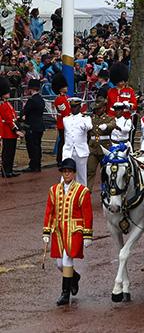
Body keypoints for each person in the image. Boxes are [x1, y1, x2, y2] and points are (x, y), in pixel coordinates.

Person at [42, 158, 93, 306]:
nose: (67, 174)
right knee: (59, 264)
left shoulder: (82, 191)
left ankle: (65, 294)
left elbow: (87, 214)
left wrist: (88, 234)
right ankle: (74, 277)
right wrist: (46, 232)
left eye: (69, 171)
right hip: (58, 232)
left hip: (74, 231)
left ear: (74, 173)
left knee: (67, 259)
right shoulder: (54, 190)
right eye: (64, 171)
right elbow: (49, 212)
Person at [62, 99, 94, 185]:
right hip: (68, 150)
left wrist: (84, 125)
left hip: (81, 150)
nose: (73, 109)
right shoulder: (66, 119)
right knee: (65, 174)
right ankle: (64, 193)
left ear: (80, 107)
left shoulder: (85, 118)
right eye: (72, 107)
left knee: (81, 176)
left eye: (75, 107)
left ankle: (83, 195)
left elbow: (89, 127)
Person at [20, 78, 45, 172]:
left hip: (31, 127)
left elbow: (24, 111)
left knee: (31, 146)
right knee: (37, 146)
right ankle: (37, 165)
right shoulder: (41, 100)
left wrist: (21, 117)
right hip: (40, 126)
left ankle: (33, 165)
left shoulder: (31, 101)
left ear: (31, 89)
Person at [0, 77, 20, 178]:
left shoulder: (7, 103)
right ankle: (6, 170)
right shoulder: (3, 105)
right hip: (8, 132)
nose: (9, 93)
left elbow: (13, 117)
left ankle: (9, 169)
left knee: (11, 152)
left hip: (11, 132)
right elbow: (8, 120)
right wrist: (16, 130)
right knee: (7, 152)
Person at [52, 74, 70, 163]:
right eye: (64, 86)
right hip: (63, 124)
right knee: (63, 142)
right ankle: (60, 159)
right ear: (60, 88)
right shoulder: (59, 99)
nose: (66, 87)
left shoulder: (65, 97)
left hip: (66, 123)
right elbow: (65, 112)